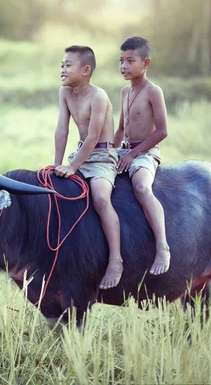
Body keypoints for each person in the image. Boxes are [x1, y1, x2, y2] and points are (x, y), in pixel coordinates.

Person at [54, 45, 123, 289]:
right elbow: (63, 129)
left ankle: (115, 259)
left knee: (101, 199)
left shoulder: (99, 96)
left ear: (86, 70)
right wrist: (57, 163)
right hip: (80, 152)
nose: (62, 69)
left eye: (68, 65)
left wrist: (72, 166)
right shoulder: (64, 92)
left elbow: (93, 137)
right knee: (56, 190)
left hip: (103, 156)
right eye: (62, 64)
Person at [114, 36, 171, 275]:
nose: (124, 66)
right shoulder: (125, 92)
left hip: (145, 153)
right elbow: (119, 129)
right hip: (125, 149)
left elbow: (162, 131)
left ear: (145, 63)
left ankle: (162, 246)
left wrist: (133, 155)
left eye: (130, 61)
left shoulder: (153, 91)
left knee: (141, 188)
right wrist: (107, 152)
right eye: (121, 61)